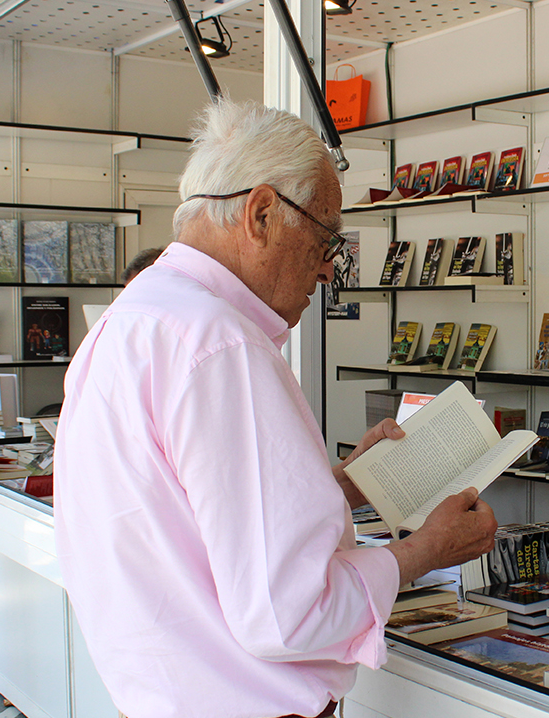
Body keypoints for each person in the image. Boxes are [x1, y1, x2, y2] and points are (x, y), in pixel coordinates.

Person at [53, 99, 497, 718]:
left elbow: (190, 517)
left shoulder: (133, 321)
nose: (326, 270)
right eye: (326, 241)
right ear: (261, 214)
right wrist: (424, 551)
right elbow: (288, 613)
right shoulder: (221, 344)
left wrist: (337, 486)